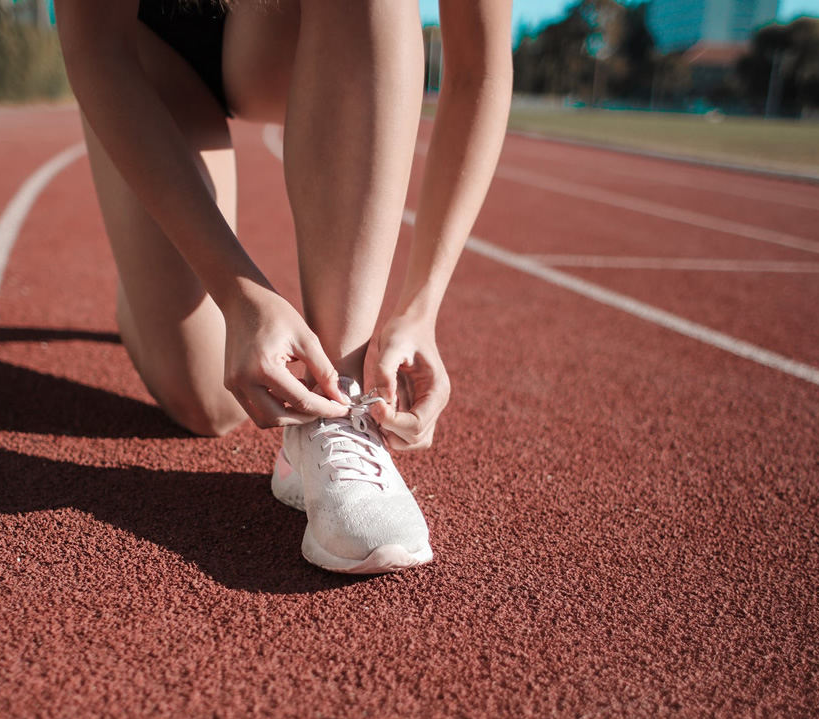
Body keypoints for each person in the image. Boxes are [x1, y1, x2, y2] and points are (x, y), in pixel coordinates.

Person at [55, 0, 511, 573]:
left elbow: (480, 68)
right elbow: (95, 45)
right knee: (209, 405)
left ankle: (336, 408)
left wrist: (423, 306)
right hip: (154, 43)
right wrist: (235, 292)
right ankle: (141, 298)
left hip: (284, 37)